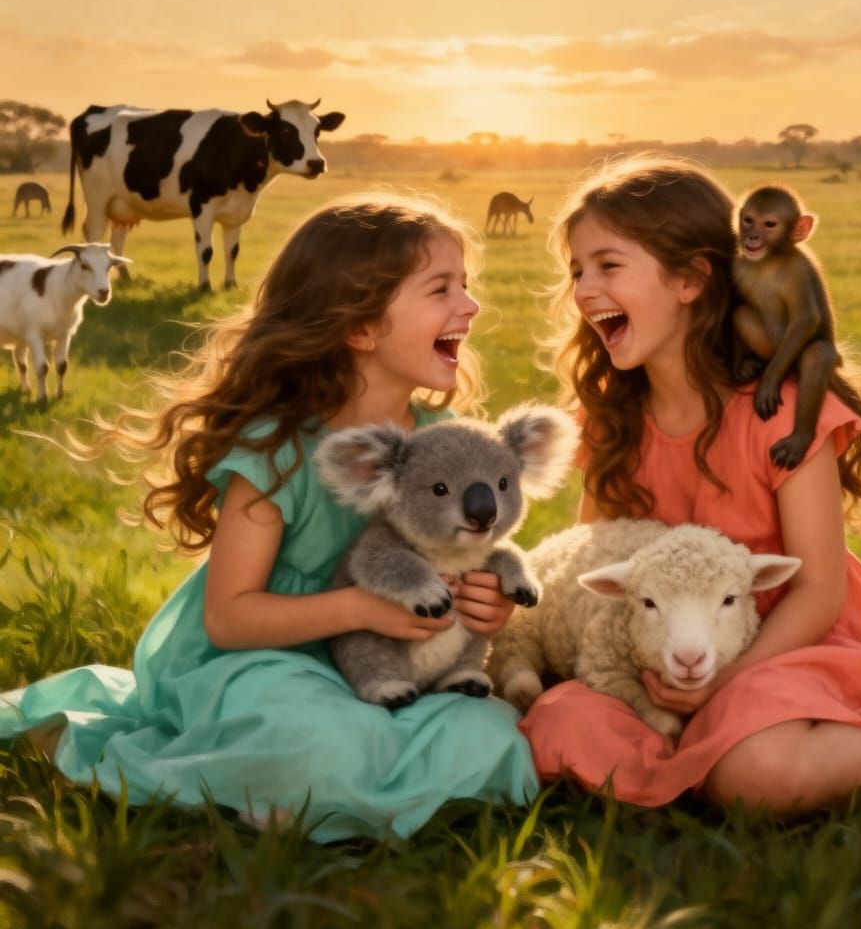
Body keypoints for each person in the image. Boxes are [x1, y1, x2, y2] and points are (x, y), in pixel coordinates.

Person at [0, 195, 538, 841]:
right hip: (263, 667)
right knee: (309, 735)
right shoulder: (276, 448)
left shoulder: (446, 443)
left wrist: (487, 603)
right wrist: (361, 610)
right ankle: (324, 778)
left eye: (467, 285)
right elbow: (229, 618)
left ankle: (336, 779)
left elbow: (469, 553)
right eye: (441, 289)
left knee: (493, 734)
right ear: (361, 328)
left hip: (392, 667)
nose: (469, 305)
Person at [518, 155, 861, 812]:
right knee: (551, 724)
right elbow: (597, 558)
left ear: (691, 280)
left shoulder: (781, 410)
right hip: (664, 647)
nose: (585, 290)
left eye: (608, 267)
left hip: (788, 642)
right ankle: (691, 749)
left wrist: (724, 676)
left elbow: (817, 589)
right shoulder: (613, 420)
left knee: (759, 773)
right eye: (577, 271)